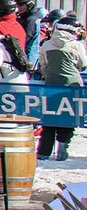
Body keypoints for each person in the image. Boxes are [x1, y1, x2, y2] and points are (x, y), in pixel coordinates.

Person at [39, 13, 87, 159]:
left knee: (49, 117)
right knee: (67, 116)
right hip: (72, 85)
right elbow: (83, 65)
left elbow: (43, 65)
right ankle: (62, 150)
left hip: (51, 84)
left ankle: (43, 152)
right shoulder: (76, 45)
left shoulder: (46, 44)